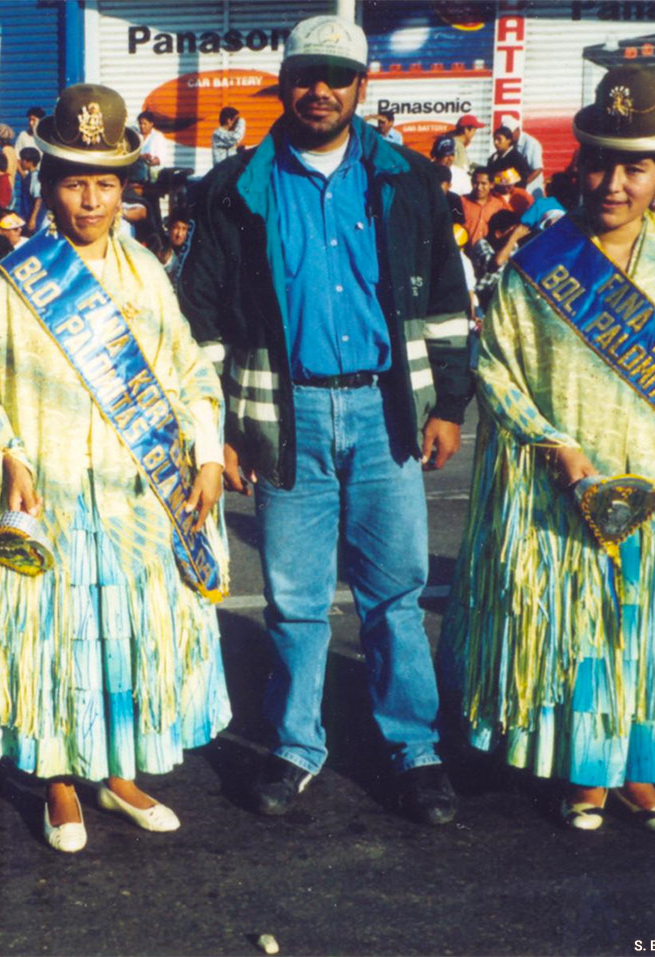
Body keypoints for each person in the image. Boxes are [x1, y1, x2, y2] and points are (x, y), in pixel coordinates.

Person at [439, 65, 655, 836]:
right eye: (601, 161)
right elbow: (497, 369)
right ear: (578, 160)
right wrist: (556, 449)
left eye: (635, 166)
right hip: (566, 492)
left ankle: (642, 772)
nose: (614, 182)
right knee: (583, 631)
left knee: (649, 627)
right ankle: (586, 770)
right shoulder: (536, 262)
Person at [179, 14, 470, 825]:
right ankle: (296, 745)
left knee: (396, 593)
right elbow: (196, 320)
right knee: (297, 596)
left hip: (387, 411)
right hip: (288, 414)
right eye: (306, 74)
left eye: (336, 78)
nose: (320, 91)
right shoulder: (236, 189)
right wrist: (220, 433)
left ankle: (415, 748)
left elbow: (448, 304)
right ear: (285, 82)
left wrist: (448, 403)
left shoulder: (410, 180)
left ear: (360, 88)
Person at [0, 83, 231, 853]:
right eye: (75, 182)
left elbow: (187, 372)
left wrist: (207, 451)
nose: (90, 200)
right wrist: (6, 451)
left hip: (133, 499)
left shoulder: (148, 274)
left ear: (125, 188)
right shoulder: (16, 282)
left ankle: (115, 772)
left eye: (105, 183)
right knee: (61, 640)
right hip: (52, 500)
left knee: (121, 639)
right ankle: (60, 782)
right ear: (49, 186)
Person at [505, 117, 544, 198]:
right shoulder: (508, 143)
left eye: (510, 134)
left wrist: (522, 185)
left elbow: (538, 169)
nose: (508, 137)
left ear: (518, 130)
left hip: (531, 190)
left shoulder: (532, 144)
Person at [18, 146, 47, 234]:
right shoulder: (28, 176)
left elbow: (38, 199)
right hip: (26, 215)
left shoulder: (35, 177)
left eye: (23, 159)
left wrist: (32, 219)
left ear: (30, 162)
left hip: (33, 218)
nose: (21, 162)